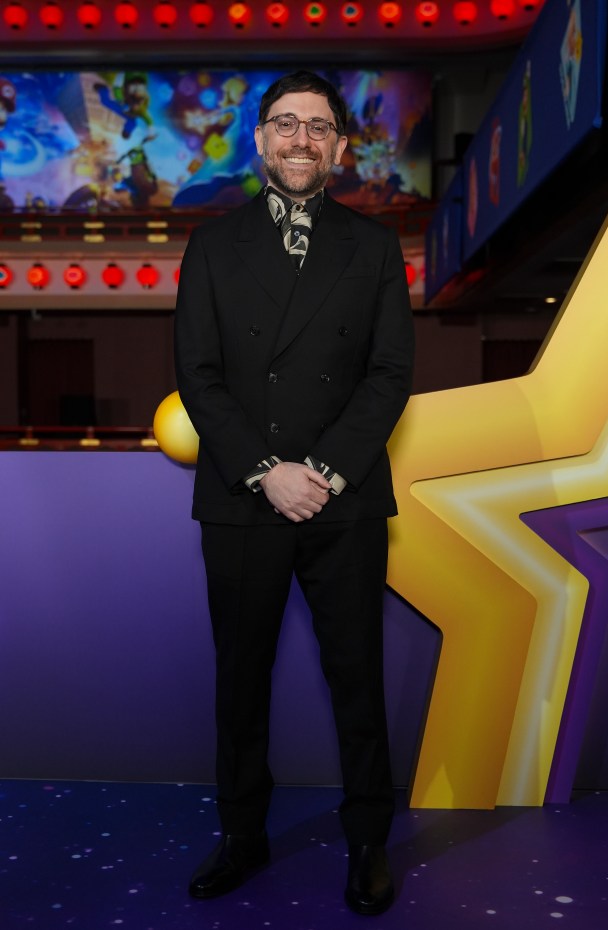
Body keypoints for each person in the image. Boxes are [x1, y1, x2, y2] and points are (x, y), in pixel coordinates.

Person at [174, 70, 414, 916]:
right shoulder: (211, 246)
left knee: (358, 676)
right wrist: (266, 471)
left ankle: (367, 843)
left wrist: (323, 473)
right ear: (261, 141)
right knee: (240, 681)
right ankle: (242, 835)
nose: (301, 139)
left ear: (342, 148)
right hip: (243, 498)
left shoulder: (375, 248)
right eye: (285, 124)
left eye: (318, 126)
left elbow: (389, 376)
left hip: (341, 500)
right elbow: (198, 377)